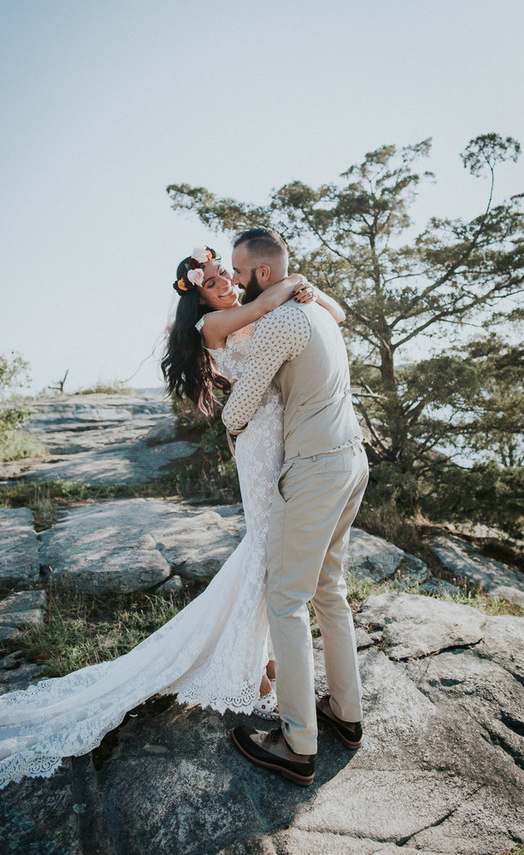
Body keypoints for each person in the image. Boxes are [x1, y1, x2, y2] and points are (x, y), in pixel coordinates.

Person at [0, 245, 344, 799]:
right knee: (266, 548)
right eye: (213, 282)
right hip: (260, 438)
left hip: (279, 434)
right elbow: (263, 313)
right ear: (200, 298)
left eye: (224, 276)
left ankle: (261, 663)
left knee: (269, 553)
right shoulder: (216, 323)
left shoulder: (247, 303)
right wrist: (293, 283)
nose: (225, 285)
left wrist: (300, 289)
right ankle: (256, 668)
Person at [223, 228, 368, 788]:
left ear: (263, 274)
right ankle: (347, 715)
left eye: (238, 270)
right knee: (329, 590)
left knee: (286, 600)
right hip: (352, 460)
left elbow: (244, 398)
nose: (234, 281)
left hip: (312, 470)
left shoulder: (283, 319)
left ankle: (296, 740)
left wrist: (231, 427)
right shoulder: (320, 313)